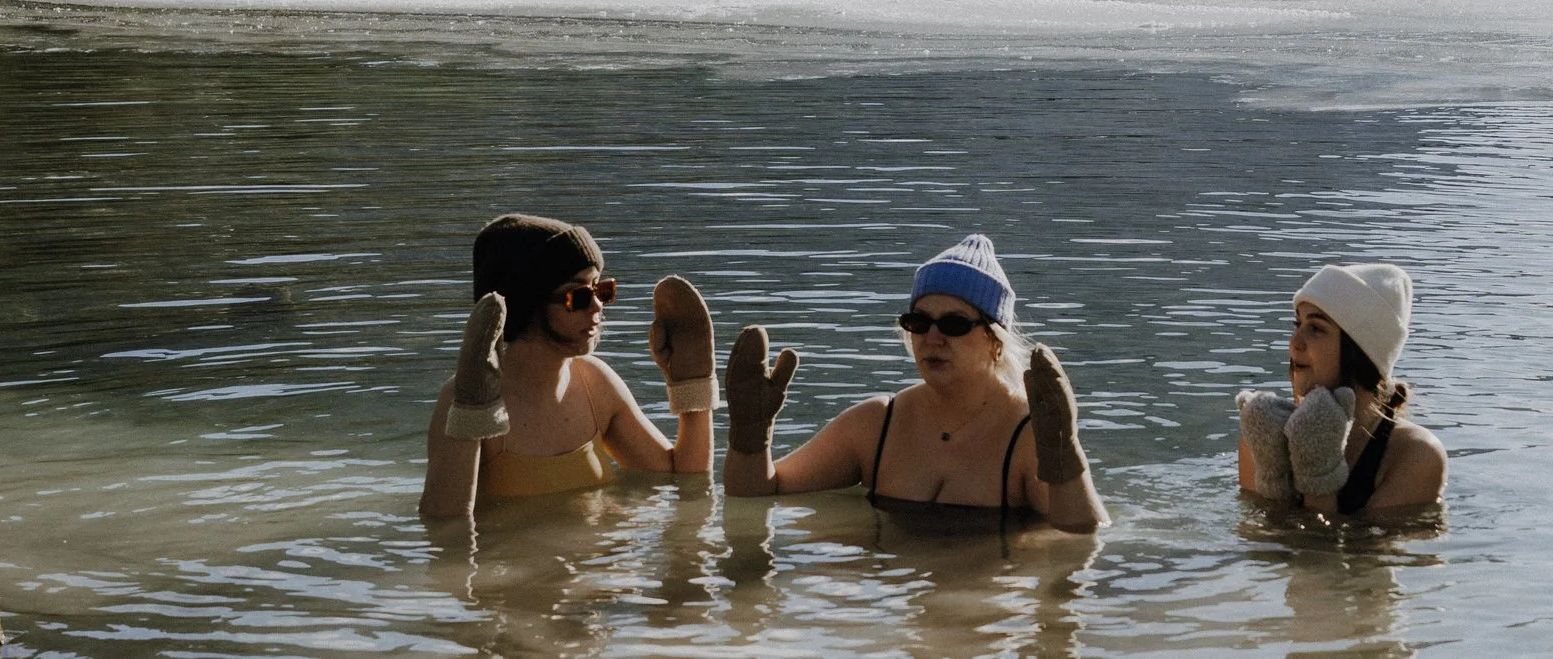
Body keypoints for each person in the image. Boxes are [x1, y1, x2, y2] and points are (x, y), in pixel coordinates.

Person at [719, 233, 1107, 531]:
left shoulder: (1029, 437)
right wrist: (751, 435)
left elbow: (1083, 539)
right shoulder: (877, 424)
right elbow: (754, 494)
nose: (932, 338)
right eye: (918, 322)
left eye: (954, 324)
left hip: (988, 604)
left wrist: (1065, 459)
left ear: (995, 341)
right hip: (896, 600)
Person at [421, 212, 718, 519]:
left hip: (606, 562)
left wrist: (691, 387)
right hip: (520, 562)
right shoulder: (465, 398)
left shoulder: (595, 382)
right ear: (527, 304)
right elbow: (444, 523)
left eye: (601, 290)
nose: (597, 306)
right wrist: (471, 411)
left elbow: (683, 484)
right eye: (577, 296)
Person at [1237, 262, 1445, 515]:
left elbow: (1361, 555)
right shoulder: (1263, 440)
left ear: (1360, 351)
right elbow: (1262, 550)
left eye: (1316, 328)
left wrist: (1318, 480)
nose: (1294, 343)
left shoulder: (1416, 456)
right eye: (1297, 325)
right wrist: (1273, 477)